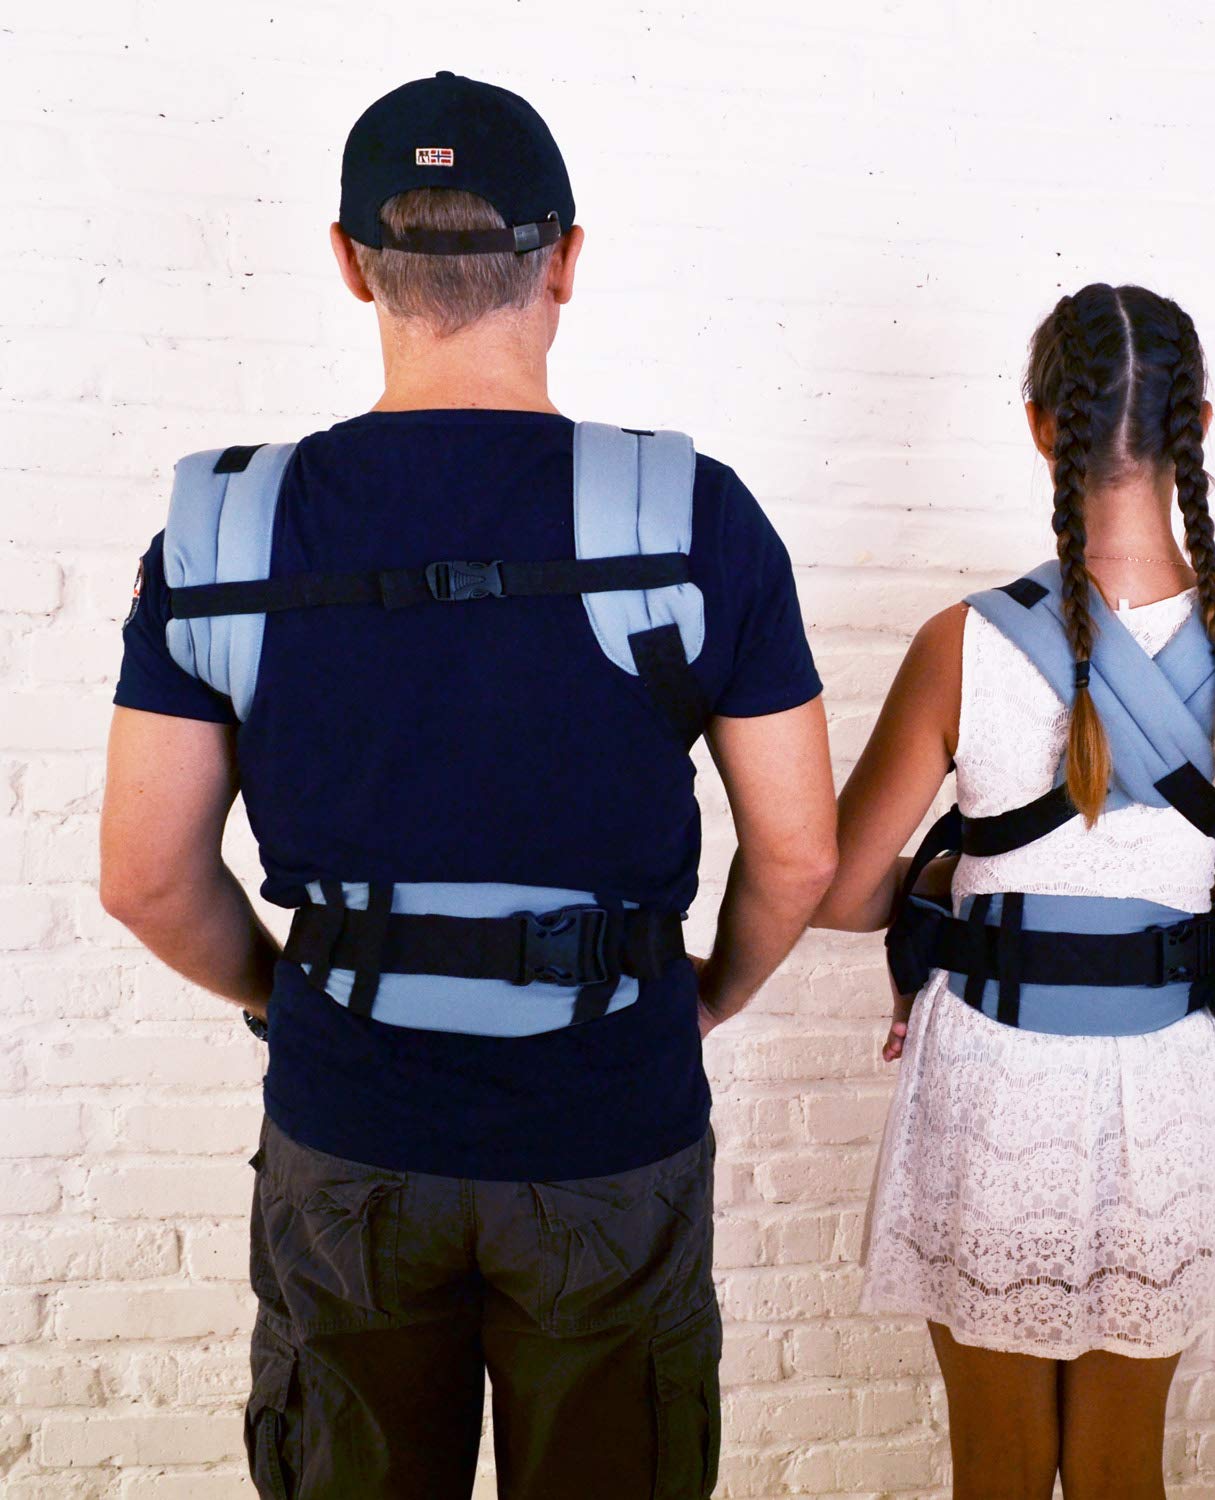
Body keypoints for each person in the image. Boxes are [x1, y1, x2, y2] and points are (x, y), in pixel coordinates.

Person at [99, 71, 836, 1500]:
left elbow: (142, 877)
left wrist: (288, 994)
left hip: (348, 1128)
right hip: (609, 1125)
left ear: (347, 260)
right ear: (565, 258)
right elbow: (799, 851)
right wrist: (706, 997)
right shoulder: (691, 513)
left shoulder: (224, 525)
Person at [812, 283, 1215, 1499]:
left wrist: (954, 880)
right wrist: (1193, 917)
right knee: (1118, 1471)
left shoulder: (963, 645)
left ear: (1044, 426)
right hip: (1166, 1091)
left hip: (994, 1086)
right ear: (1199, 427)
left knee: (996, 1473)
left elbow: (837, 891)